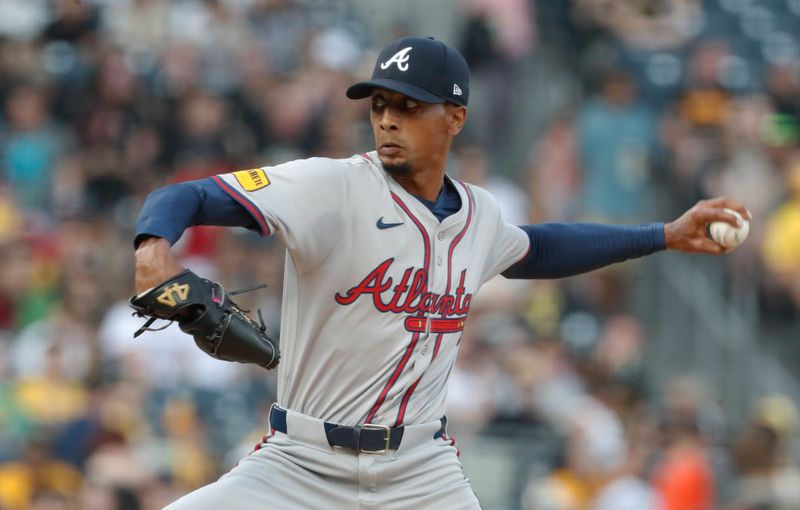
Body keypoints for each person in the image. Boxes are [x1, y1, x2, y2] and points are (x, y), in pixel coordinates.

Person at [133, 36, 749, 510]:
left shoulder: (478, 213)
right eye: (379, 105)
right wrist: (152, 250)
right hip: (300, 462)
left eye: (409, 106)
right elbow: (189, 195)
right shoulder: (330, 185)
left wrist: (664, 234)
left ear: (454, 118)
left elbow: (539, 249)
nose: (387, 120)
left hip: (419, 472)